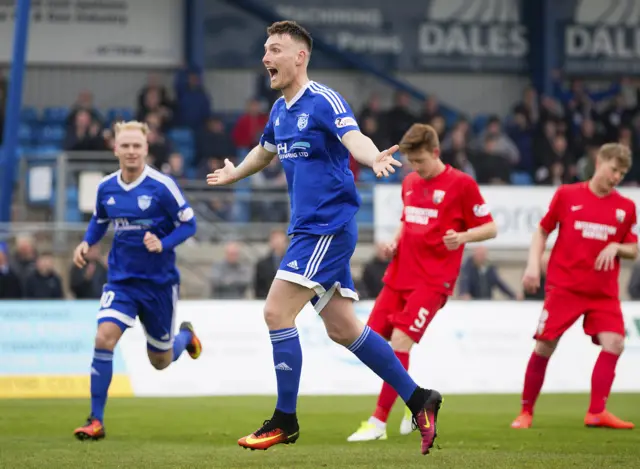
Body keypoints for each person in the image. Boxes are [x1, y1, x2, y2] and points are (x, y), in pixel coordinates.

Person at [207, 21, 441, 455]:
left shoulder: (323, 100)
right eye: (264, 49)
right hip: (309, 230)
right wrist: (236, 171)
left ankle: (285, 420)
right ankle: (420, 398)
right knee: (343, 329)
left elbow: (354, 137)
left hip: (326, 228)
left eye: (274, 49)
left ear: (300, 56)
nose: (265, 58)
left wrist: (372, 159)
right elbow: (266, 149)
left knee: (276, 312)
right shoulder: (280, 110)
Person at [347, 124, 497, 442]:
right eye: (412, 162)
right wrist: (394, 241)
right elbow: (407, 218)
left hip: (433, 281)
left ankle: (377, 422)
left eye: (420, 161)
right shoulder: (411, 182)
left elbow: (490, 228)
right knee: (370, 345)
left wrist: (464, 236)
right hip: (399, 275)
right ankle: (415, 399)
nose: (416, 168)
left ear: (436, 152)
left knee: (400, 342)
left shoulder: (462, 184)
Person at [72, 121, 202, 441]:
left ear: (146, 149)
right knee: (104, 338)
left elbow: (189, 224)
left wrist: (163, 243)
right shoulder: (106, 188)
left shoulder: (162, 186)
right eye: (125, 146)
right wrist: (87, 243)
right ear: (115, 148)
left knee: (160, 360)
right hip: (121, 282)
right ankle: (96, 420)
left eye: (137, 146)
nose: (131, 151)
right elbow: (100, 220)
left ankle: (185, 337)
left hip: (158, 284)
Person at [512, 143, 637, 430]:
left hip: (603, 292)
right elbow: (542, 231)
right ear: (599, 162)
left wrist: (617, 246)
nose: (617, 176)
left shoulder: (625, 207)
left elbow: (634, 249)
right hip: (565, 287)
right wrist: (533, 265)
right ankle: (526, 412)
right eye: (613, 169)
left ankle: (596, 412)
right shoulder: (567, 195)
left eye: (622, 172)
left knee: (615, 343)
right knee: (544, 346)